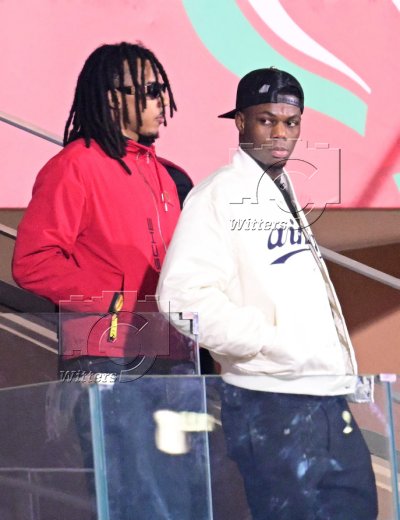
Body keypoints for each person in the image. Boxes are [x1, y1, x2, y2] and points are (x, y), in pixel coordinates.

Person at [157, 68, 378, 519]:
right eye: (266, 120)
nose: (280, 133)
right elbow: (180, 296)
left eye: (290, 122)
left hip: (324, 397)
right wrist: (266, 341)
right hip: (270, 399)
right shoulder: (218, 193)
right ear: (240, 121)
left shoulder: (280, 188)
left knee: (358, 509)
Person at [12, 42, 194, 375]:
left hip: (171, 353)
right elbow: (33, 262)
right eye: (152, 90)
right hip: (104, 352)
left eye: (162, 91)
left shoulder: (166, 176)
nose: (163, 102)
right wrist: (111, 298)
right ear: (112, 98)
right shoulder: (75, 166)